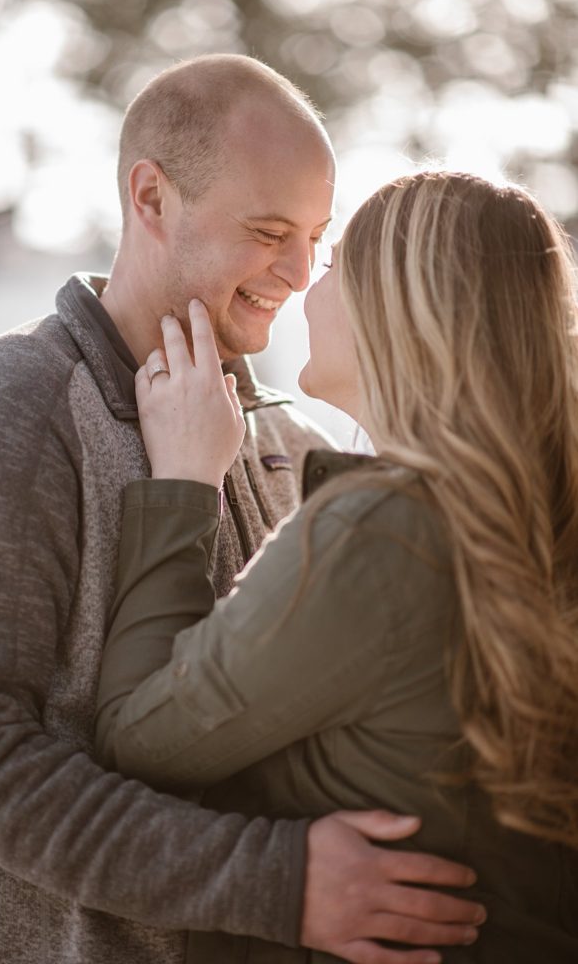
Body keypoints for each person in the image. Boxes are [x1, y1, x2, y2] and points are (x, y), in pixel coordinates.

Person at [0, 58, 482, 964]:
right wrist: (272, 881)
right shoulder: (5, 417)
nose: (300, 272)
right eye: (268, 231)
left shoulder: (291, 433)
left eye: (316, 238)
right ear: (152, 198)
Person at [95, 170, 578, 963]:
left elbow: (138, 742)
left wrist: (182, 485)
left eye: (329, 263)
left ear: (402, 308)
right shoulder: (541, 512)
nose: (302, 289)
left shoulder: (387, 533)